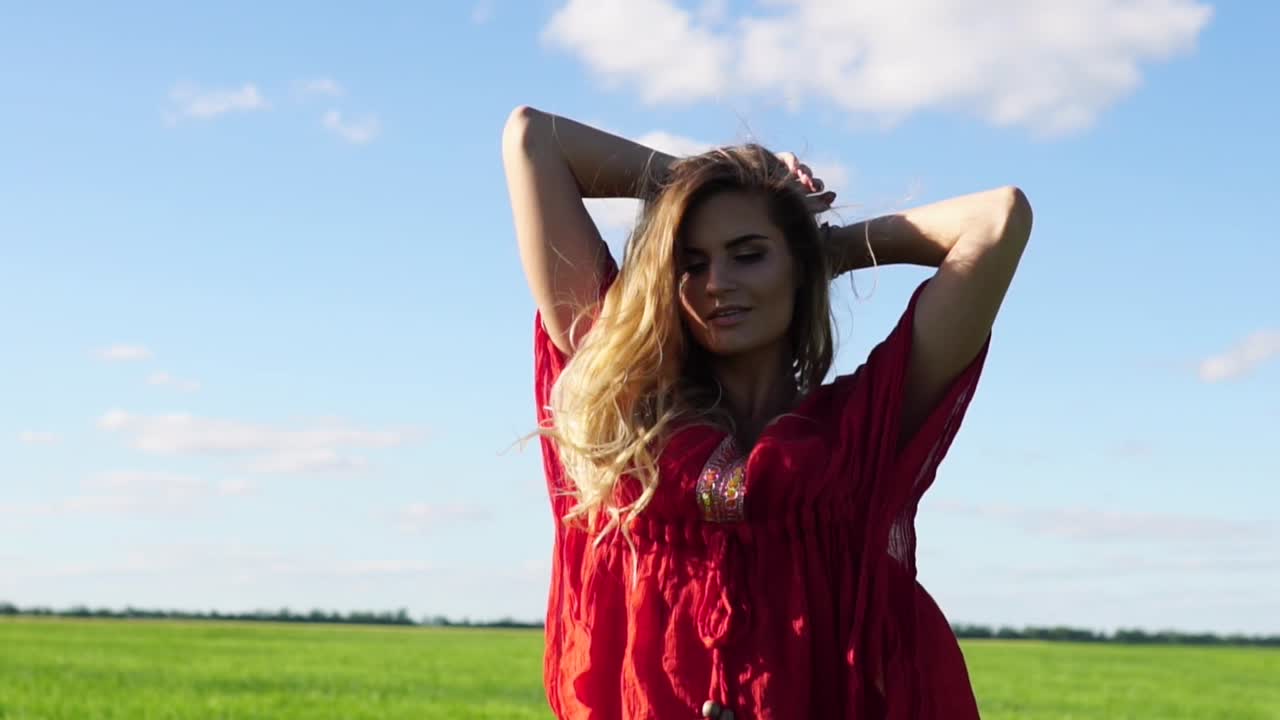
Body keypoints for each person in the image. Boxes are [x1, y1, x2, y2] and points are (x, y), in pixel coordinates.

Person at [502, 105, 1033, 719]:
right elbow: (532, 139)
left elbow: (998, 219)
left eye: (748, 254)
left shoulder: (856, 439)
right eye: (691, 263)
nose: (716, 283)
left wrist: (823, 248)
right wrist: (708, 177)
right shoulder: (621, 411)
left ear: (798, 266)